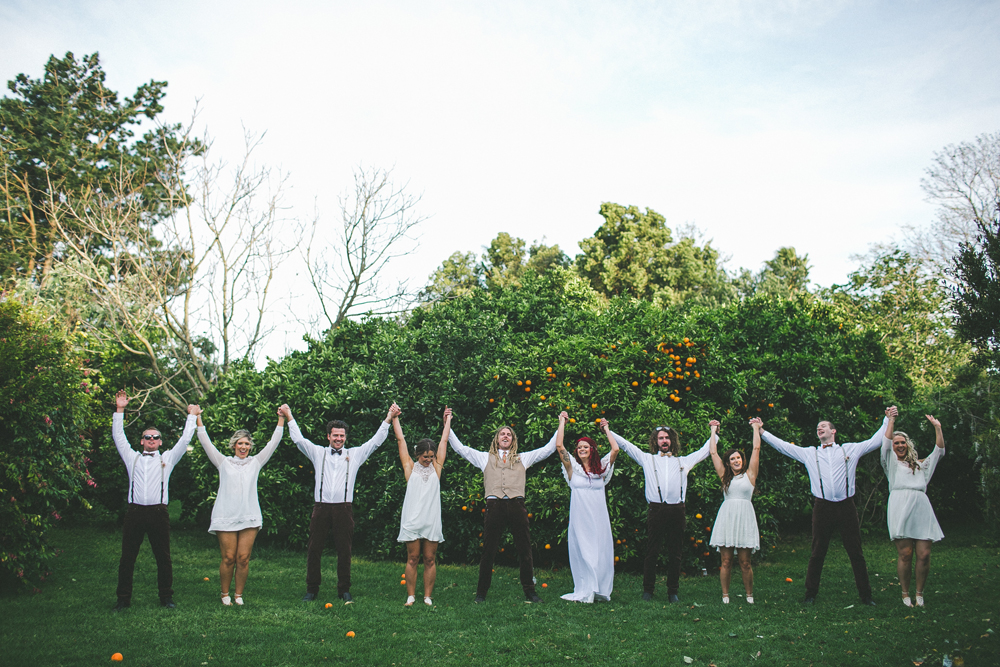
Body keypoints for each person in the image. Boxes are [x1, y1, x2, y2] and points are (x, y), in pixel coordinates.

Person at [760, 406, 896, 606]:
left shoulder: (849, 449)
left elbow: (875, 441)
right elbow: (784, 447)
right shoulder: (810, 454)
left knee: (855, 551)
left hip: (846, 506)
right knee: (817, 552)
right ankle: (810, 594)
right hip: (822, 507)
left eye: (823, 426)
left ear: (833, 431)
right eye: (817, 427)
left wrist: (887, 420)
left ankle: (866, 595)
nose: (819, 428)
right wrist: (762, 432)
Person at [283, 401, 401, 603]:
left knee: (344, 550)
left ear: (345, 437)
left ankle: (344, 590)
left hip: (343, 509)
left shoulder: (353, 455)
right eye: (335, 435)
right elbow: (299, 440)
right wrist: (289, 415)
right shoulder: (318, 452)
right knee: (314, 549)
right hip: (320, 508)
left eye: (342, 435)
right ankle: (312, 589)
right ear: (328, 436)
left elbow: (375, 442)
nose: (338, 439)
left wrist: (388, 419)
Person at [449, 418, 558, 603]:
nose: (505, 436)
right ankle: (481, 593)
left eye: (509, 434)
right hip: (494, 506)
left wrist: (561, 423)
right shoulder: (485, 458)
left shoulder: (523, 458)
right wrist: (447, 424)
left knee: (525, 549)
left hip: (517, 505)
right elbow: (460, 448)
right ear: (497, 439)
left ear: (513, 440)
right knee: (488, 551)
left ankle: (530, 591)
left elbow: (549, 448)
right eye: (502, 434)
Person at [606, 419, 713, 602]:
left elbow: (705, 451)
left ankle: (673, 591)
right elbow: (626, 445)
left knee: (675, 552)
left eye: (667, 438)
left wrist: (714, 431)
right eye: (661, 438)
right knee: (652, 551)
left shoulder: (683, 461)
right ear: (655, 441)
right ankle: (648, 590)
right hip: (656, 510)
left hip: (677, 510)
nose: (664, 441)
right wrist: (607, 429)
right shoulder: (647, 459)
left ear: (672, 441)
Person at [111, 389, 197, 611]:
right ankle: (123, 599)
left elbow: (185, 439)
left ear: (160, 442)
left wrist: (191, 416)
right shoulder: (133, 458)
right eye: (147, 437)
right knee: (127, 558)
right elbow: (119, 437)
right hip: (135, 512)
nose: (151, 439)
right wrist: (120, 409)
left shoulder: (167, 459)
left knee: (163, 558)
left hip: (158, 513)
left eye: (155, 437)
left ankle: (166, 597)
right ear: (142, 441)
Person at [195, 405, 286, 606]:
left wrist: (281, 419)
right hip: (225, 515)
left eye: (247, 444)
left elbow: (273, 443)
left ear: (250, 447)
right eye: (240, 443)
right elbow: (205, 442)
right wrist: (198, 419)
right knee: (228, 557)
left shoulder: (256, 462)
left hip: (249, 515)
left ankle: (238, 595)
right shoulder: (223, 462)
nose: (243, 447)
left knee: (243, 558)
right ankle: (224, 594)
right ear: (234, 445)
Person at [882, 412, 946, 607]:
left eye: (903, 443)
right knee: (905, 554)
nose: (900, 445)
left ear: (907, 445)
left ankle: (919, 593)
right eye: (897, 443)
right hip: (900, 506)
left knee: (924, 554)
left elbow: (939, 452)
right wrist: (891, 420)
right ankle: (905, 593)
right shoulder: (890, 463)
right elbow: (885, 445)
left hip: (921, 507)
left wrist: (937, 427)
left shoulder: (920, 466)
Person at [555, 412, 619, 603]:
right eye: (579, 447)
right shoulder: (572, 468)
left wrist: (606, 428)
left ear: (592, 450)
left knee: (601, 551)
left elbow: (615, 449)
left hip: (599, 517)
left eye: (586, 446)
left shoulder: (602, 468)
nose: (582, 449)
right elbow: (559, 446)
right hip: (580, 518)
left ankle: (599, 589)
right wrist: (562, 422)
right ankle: (586, 588)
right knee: (584, 551)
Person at [394, 407, 452, 607]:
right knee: (413, 557)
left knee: (429, 558)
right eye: (424, 457)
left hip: (431, 520)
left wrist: (447, 421)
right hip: (412, 520)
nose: (428, 460)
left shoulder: (437, 468)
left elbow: (444, 441)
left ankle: (427, 596)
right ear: (417, 454)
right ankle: (411, 596)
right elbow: (401, 440)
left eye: (431, 456)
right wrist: (394, 418)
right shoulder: (410, 467)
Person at [707, 417, 760, 604]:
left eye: (738, 457)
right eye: (732, 459)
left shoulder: (750, 475)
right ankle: (725, 595)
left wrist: (755, 428)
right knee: (726, 561)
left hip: (745, 518)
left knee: (745, 562)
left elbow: (756, 449)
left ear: (742, 460)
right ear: (728, 463)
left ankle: (749, 595)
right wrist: (714, 431)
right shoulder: (724, 477)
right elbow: (713, 452)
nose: (736, 460)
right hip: (727, 518)